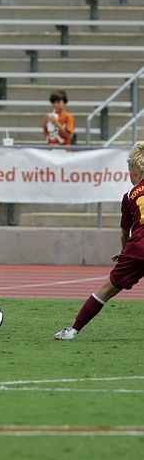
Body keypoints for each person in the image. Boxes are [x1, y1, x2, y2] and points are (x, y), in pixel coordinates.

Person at [55, 140, 144, 341]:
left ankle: (73, 330)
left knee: (105, 291)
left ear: (135, 170)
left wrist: (124, 253)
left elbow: (124, 232)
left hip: (137, 249)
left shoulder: (130, 194)